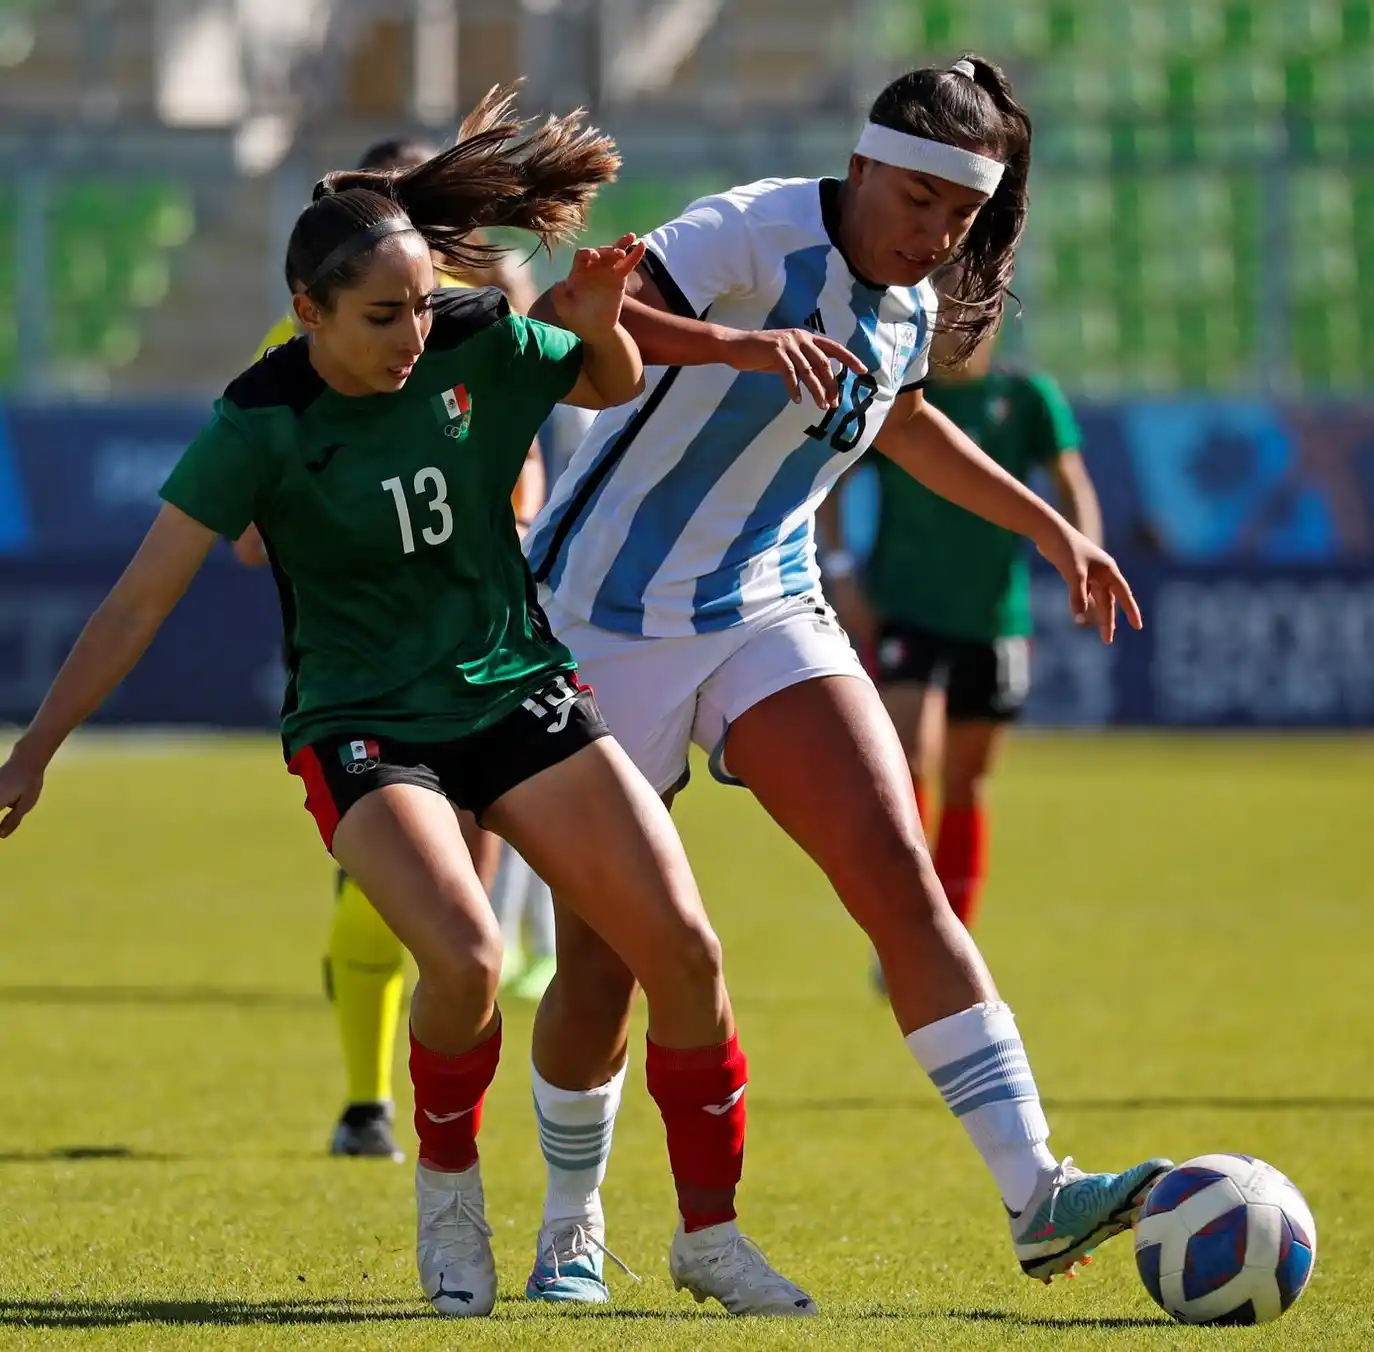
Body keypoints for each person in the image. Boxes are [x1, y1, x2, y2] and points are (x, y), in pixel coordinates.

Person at [0, 84, 824, 1319]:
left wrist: (601, 320)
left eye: (422, 305)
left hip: (515, 688)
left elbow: (607, 382)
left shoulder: (473, 340)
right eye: (382, 316)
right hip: (363, 725)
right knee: (468, 955)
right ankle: (448, 1196)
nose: (411, 334)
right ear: (307, 312)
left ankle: (705, 1234)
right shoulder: (259, 420)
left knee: (687, 950)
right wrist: (35, 750)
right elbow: (134, 605)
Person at [520, 54, 1170, 1303]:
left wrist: (1052, 528)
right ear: (864, 165)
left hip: (765, 602)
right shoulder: (753, 230)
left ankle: (1039, 1193)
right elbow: (574, 320)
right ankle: (570, 1223)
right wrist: (744, 346)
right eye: (919, 200)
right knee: (605, 960)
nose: (936, 234)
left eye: (961, 216)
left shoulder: (912, 305)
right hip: (601, 614)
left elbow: (904, 423)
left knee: (901, 878)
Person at [243, 135, 555, 1158]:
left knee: (471, 909)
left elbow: (524, 464)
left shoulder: (468, 320)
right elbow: (247, 524)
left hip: (479, 655)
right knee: (384, 895)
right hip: (364, 670)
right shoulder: (301, 345)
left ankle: (449, 1113)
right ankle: (368, 1100)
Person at [826, 295, 1102, 963]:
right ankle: (908, 923)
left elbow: (1072, 480)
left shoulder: (1027, 397)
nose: (959, 320)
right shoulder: (902, 394)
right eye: (946, 307)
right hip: (906, 607)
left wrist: (1086, 551)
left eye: (974, 308)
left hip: (993, 616)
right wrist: (840, 571)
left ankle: (954, 932)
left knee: (968, 777)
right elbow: (835, 481)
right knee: (906, 761)